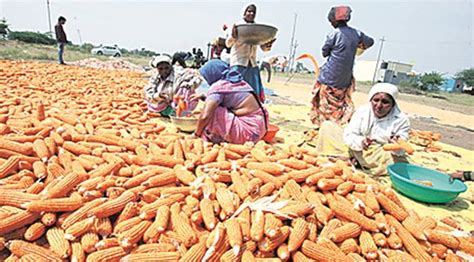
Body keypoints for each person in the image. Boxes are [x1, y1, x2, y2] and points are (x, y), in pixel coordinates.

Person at [311, 6, 374, 127]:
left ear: (334, 21)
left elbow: (324, 53)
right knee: (339, 103)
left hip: (330, 76)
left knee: (325, 106)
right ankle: (337, 124)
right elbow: (370, 42)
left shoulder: (333, 34)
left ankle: (326, 128)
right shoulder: (357, 33)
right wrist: (358, 45)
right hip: (345, 79)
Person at [193, 59, 268, 144]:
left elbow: (205, 116)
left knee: (212, 112)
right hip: (260, 129)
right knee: (212, 106)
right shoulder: (236, 82)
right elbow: (229, 98)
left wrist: (196, 134)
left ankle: (213, 138)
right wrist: (204, 97)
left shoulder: (218, 86)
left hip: (246, 133)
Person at [343, 83, 410, 175]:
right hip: (358, 148)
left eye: (385, 102)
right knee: (328, 127)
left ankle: (355, 160)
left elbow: (402, 146)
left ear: (393, 104)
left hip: (381, 153)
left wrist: (395, 145)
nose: (379, 105)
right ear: (371, 100)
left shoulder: (401, 119)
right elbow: (350, 135)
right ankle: (355, 159)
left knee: (396, 164)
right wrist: (361, 142)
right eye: (376, 100)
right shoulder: (362, 111)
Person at [226, 3, 275, 102]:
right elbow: (228, 44)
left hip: (252, 64)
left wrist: (268, 44)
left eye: (253, 12)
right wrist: (233, 36)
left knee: (253, 91)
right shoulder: (237, 26)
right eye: (249, 11)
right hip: (239, 63)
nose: (251, 13)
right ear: (244, 13)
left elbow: (263, 48)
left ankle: (251, 111)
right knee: (236, 90)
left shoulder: (257, 29)